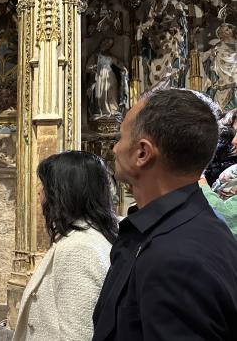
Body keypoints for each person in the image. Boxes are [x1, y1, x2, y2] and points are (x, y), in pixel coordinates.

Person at [92, 89, 237, 341]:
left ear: (142, 153)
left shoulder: (176, 258)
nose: (114, 148)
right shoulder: (168, 229)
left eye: (121, 137)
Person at [13, 151, 117, 341]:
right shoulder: (92, 236)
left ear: (63, 192)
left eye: (44, 186)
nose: (39, 192)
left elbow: (79, 334)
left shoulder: (79, 249)